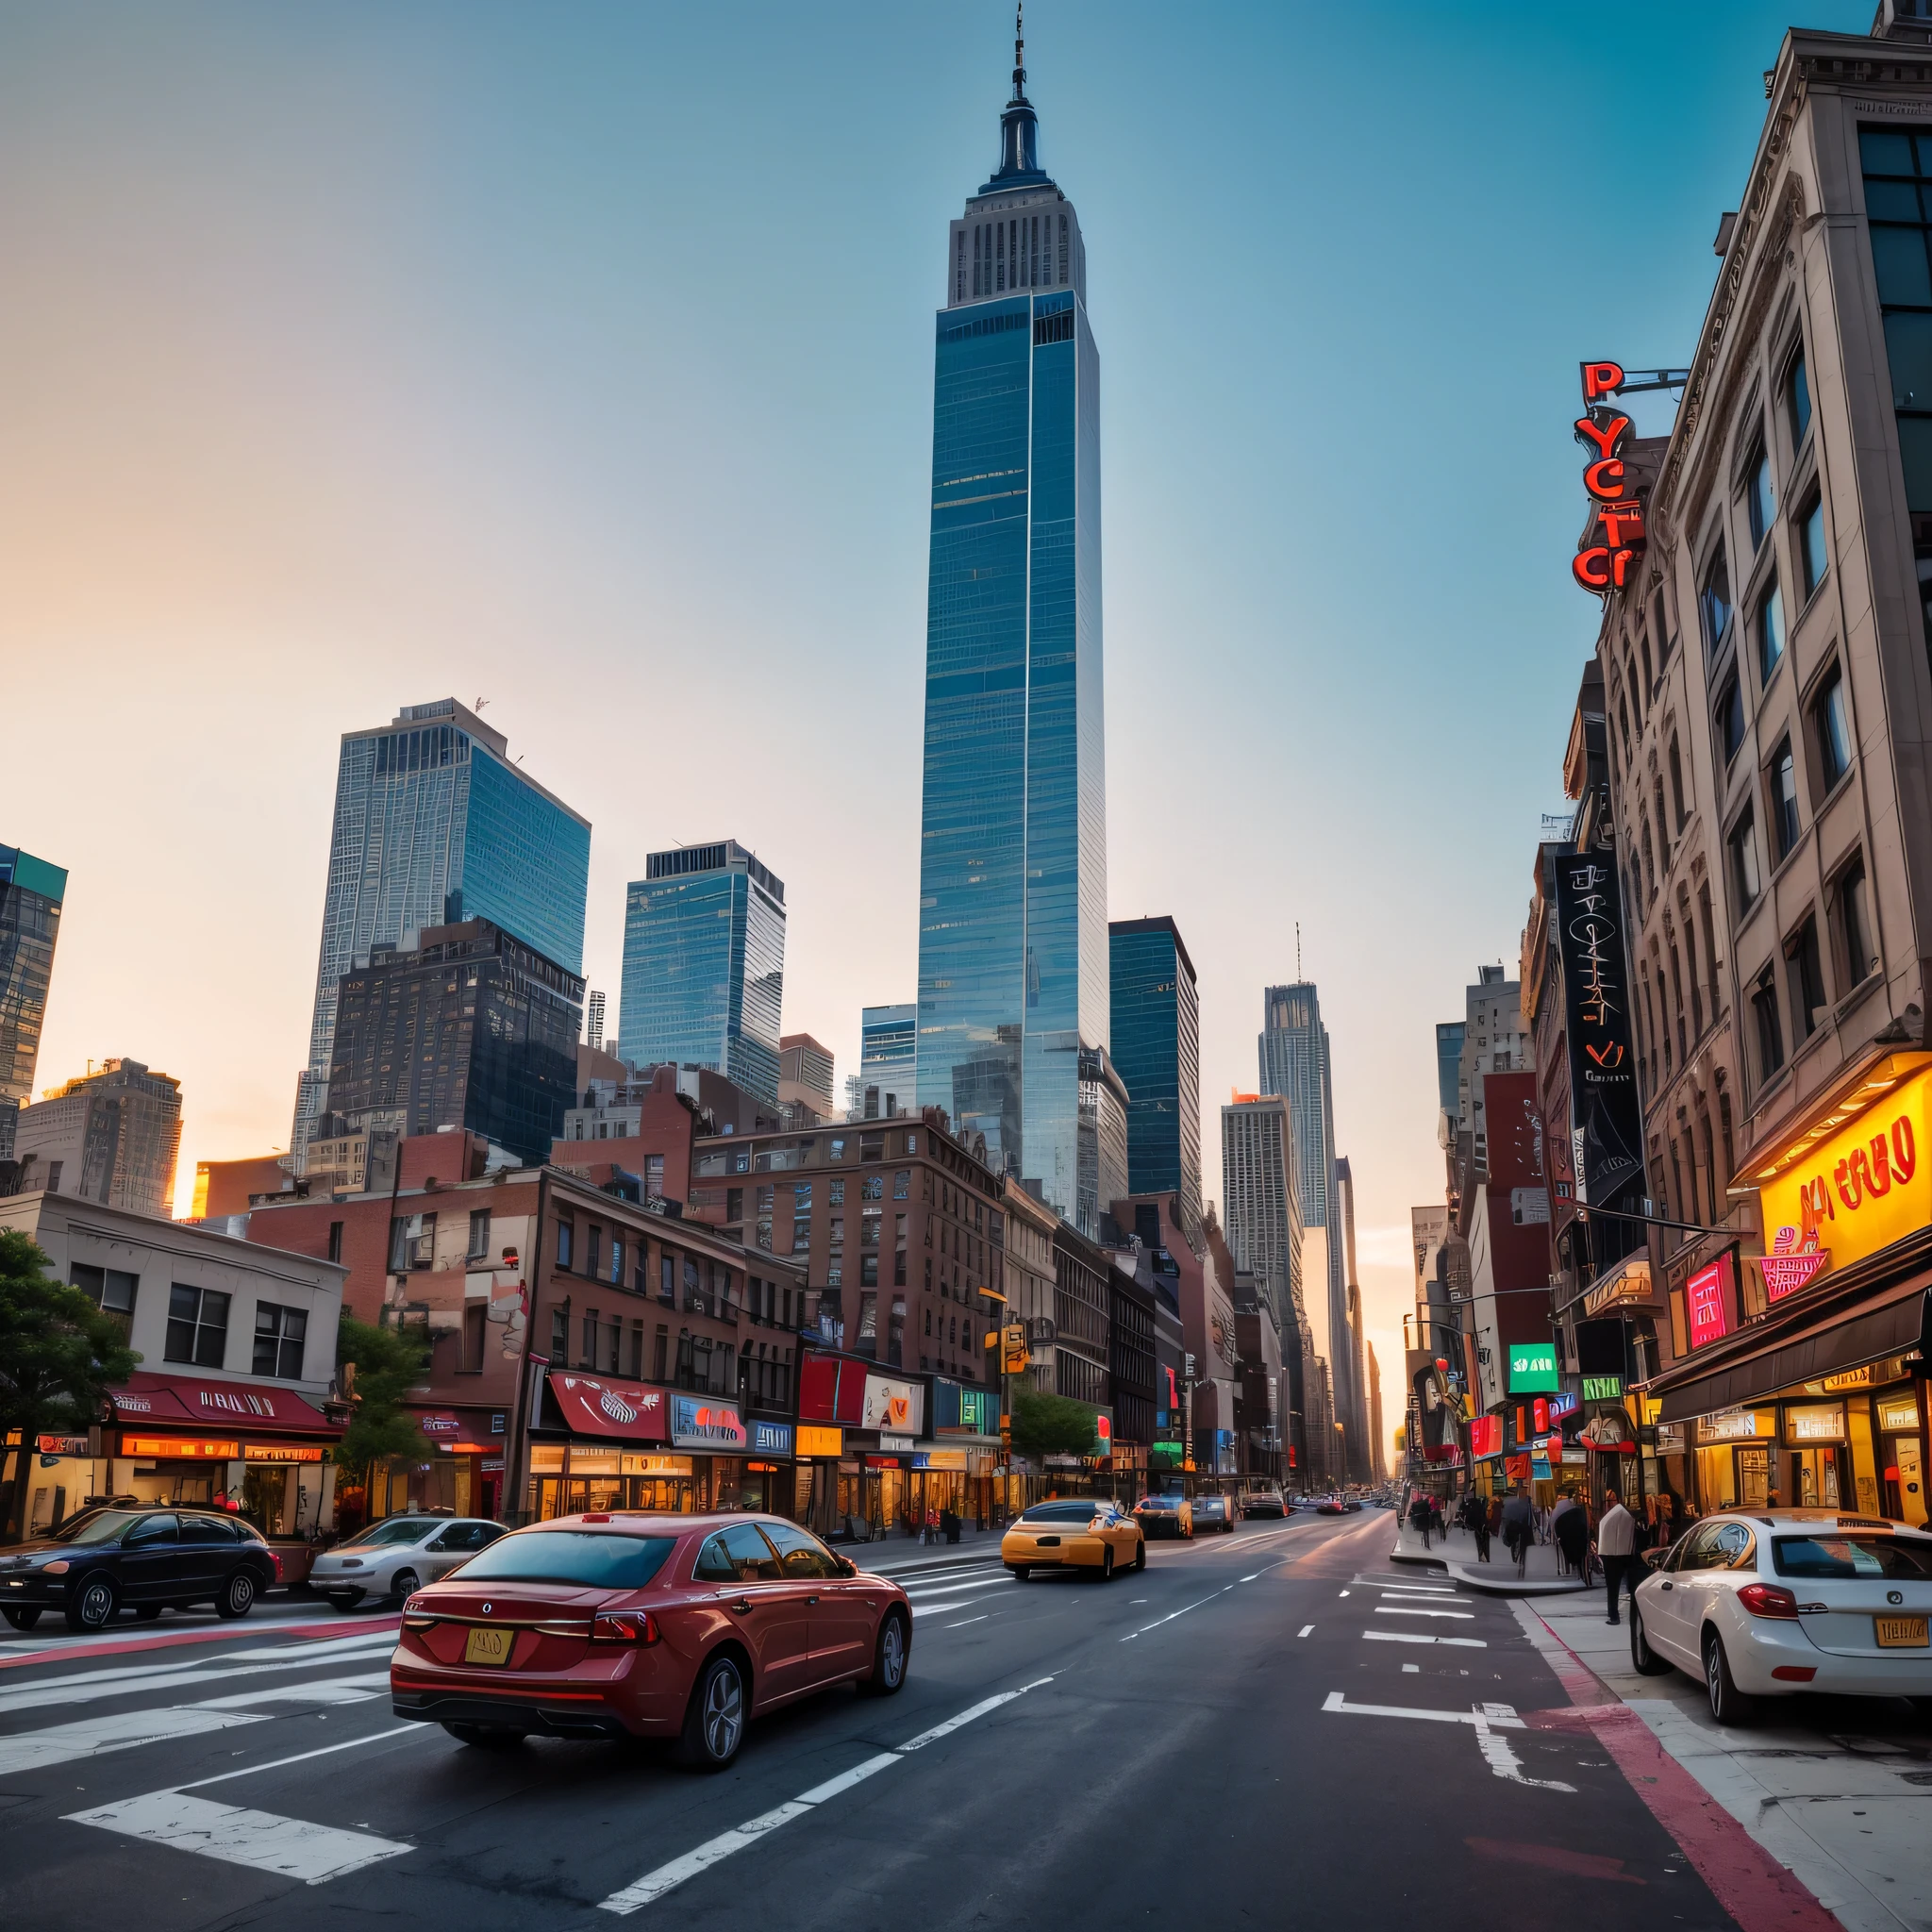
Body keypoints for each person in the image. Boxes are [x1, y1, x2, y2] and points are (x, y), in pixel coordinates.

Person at [1596, 1487, 1637, 1624]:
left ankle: (1614, 1615)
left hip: (1612, 1553)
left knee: (1614, 1587)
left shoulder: (1614, 1513)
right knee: (1621, 1586)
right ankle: (1615, 1615)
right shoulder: (1622, 1513)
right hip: (1617, 1554)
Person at [1554, 1491, 1590, 1582]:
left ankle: (1577, 1572)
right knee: (1580, 1558)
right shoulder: (1579, 1512)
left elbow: (1557, 1528)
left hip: (1568, 1540)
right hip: (1578, 1540)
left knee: (1575, 1559)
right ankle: (1581, 1574)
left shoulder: (1561, 1512)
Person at [1501, 1485, 1535, 1579]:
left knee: (1521, 1548)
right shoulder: (1522, 1503)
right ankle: (1518, 1561)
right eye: (1521, 1491)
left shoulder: (1527, 1503)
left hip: (1521, 1530)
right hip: (1518, 1530)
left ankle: (1519, 1563)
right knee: (1518, 1546)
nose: (1522, 1493)